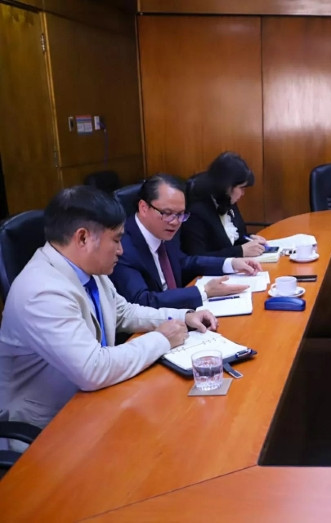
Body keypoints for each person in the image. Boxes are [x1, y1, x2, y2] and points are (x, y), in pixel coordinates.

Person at [0, 186, 217, 430]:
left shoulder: (87, 268)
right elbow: (93, 369)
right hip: (48, 428)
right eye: (116, 239)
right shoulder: (41, 291)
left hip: (95, 403)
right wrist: (162, 339)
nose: (121, 250)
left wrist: (184, 317)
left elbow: (123, 312)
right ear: (83, 238)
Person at [110, 174, 263, 310]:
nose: (175, 222)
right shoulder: (122, 246)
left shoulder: (166, 228)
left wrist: (230, 263)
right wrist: (203, 292)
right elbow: (142, 301)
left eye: (181, 214)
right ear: (143, 207)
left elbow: (184, 262)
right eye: (167, 213)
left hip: (180, 315)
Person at [181, 152, 267, 258]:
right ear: (226, 186)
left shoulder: (228, 200)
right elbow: (197, 259)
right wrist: (239, 252)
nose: (243, 193)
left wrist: (250, 240)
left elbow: (235, 238)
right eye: (241, 188)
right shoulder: (196, 212)